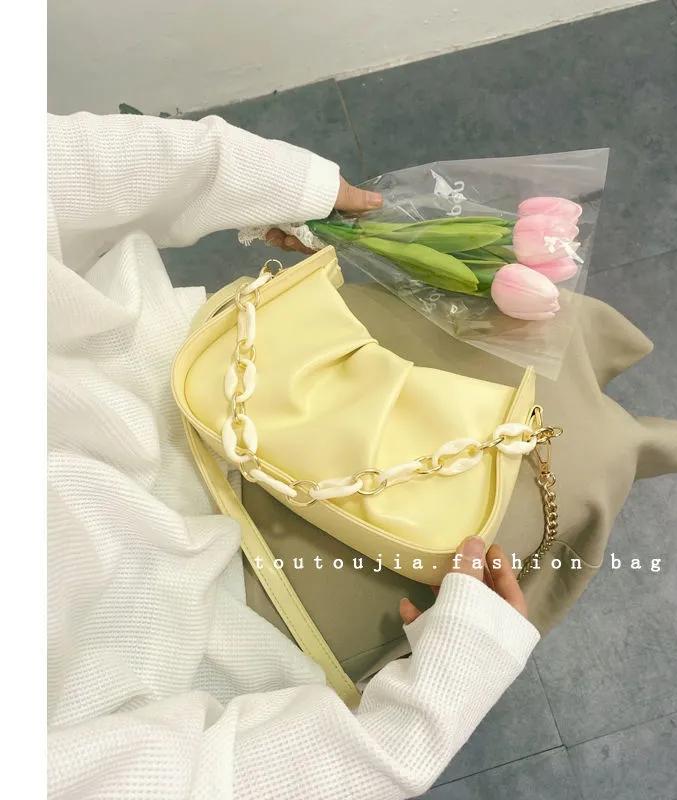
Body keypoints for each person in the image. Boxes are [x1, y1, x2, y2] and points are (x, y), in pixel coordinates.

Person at [47, 112, 540, 800]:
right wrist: (432, 706)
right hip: (203, 615)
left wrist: (271, 180)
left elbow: (43, 166)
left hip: (185, 372)